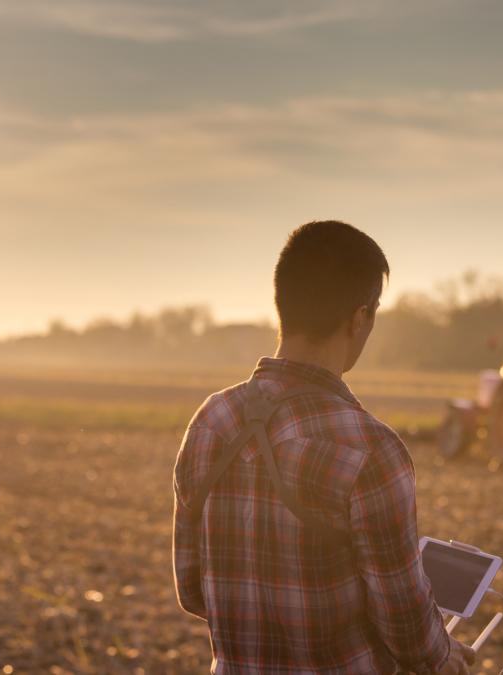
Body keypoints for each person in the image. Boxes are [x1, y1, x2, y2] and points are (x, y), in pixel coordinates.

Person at [172, 221, 476, 674]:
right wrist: (446, 657)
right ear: (360, 317)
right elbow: (408, 631)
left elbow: (192, 590)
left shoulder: (211, 420)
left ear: (283, 303)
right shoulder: (371, 448)